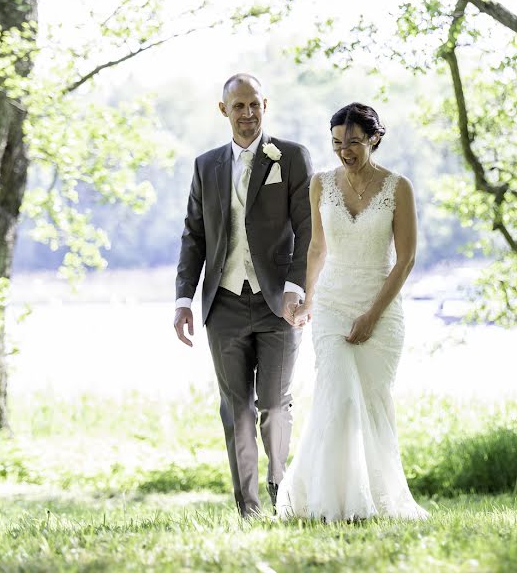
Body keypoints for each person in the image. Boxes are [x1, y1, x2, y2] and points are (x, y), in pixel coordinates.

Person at [275, 102, 428, 522]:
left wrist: (372, 316)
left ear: (374, 138)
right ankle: (326, 502)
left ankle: (374, 499)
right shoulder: (320, 184)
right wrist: (307, 299)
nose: (345, 151)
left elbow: (406, 259)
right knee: (338, 398)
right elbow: (317, 248)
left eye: (354, 142)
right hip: (331, 305)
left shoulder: (399, 188)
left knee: (372, 403)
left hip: (380, 308)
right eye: (338, 143)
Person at [174, 73, 313, 517]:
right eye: (239, 106)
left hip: (279, 305)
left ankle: (279, 490)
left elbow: (308, 228)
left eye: (255, 105)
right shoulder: (206, 165)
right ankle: (248, 508)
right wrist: (183, 300)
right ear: (224, 110)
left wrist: (296, 288)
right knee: (236, 410)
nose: (248, 114)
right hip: (224, 305)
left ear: (265, 105)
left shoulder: (290, 157)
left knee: (274, 404)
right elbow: (194, 236)